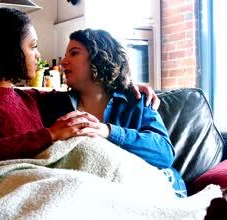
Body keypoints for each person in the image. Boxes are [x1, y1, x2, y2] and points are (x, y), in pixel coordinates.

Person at [0, 7, 159, 173]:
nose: (38, 55)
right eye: (32, 46)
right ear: (8, 49)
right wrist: (50, 134)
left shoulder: (33, 98)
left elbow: (92, 89)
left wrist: (124, 84)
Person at [58, 28, 187, 197]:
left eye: (74, 53)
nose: (64, 62)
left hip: (143, 189)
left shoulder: (137, 100)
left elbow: (164, 154)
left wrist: (109, 132)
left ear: (100, 57)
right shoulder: (58, 105)